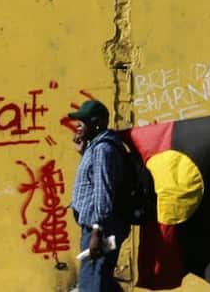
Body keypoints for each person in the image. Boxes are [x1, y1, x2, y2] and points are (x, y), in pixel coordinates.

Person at [69, 99, 128, 292]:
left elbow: (103, 193)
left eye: (82, 121)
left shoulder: (103, 149)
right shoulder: (96, 147)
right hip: (99, 227)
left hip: (101, 229)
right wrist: (83, 153)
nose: (77, 125)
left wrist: (97, 231)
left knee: (92, 283)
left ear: (96, 123)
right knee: (101, 280)